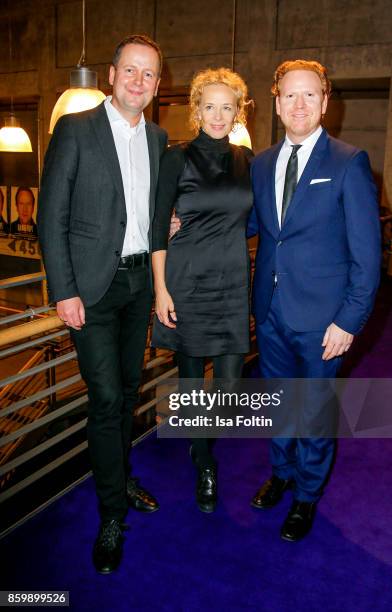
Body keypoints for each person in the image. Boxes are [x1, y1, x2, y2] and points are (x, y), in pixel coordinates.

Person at [38, 34, 167, 574]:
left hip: (139, 285)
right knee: (107, 397)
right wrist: (63, 289)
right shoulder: (76, 128)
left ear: (159, 85)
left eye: (150, 75)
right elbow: (52, 216)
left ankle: (117, 473)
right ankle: (111, 513)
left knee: (131, 390)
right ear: (112, 74)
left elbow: (152, 211)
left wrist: (172, 225)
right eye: (130, 71)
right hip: (91, 289)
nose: (139, 81)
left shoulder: (160, 139)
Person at [248, 60, 381, 541]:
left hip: (323, 319)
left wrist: (349, 320)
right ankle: (281, 473)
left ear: (325, 102)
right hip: (270, 311)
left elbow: (369, 256)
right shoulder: (261, 163)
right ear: (277, 102)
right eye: (289, 95)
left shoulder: (349, 161)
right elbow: (257, 227)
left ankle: (306, 495)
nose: (299, 105)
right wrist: (186, 225)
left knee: (313, 411)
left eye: (309, 95)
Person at [151, 68, 253, 513]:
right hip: (186, 281)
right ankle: (204, 459)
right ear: (196, 110)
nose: (218, 114)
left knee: (229, 384)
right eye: (209, 106)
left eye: (227, 106)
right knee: (192, 381)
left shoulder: (246, 159)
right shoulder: (177, 157)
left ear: (238, 112)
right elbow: (156, 228)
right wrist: (160, 289)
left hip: (231, 280)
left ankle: (199, 441)